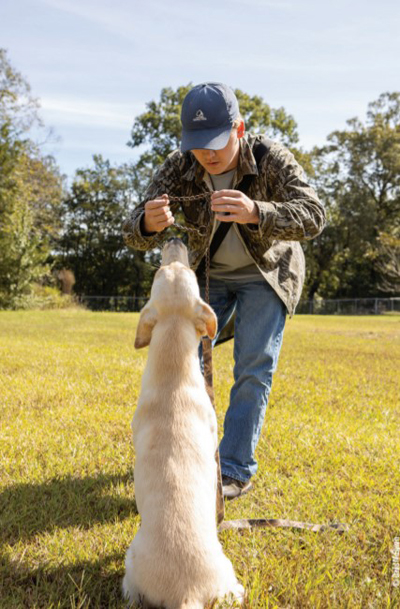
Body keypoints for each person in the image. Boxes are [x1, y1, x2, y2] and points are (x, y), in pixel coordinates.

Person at [123, 82, 326, 500]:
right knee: (184, 365)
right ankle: (189, 457)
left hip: (266, 275)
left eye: (216, 141)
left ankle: (233, 469)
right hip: (208, 276)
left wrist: (259, 213)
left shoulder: (270, 157)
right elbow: (132, 232)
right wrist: (147, 223)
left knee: (254, 367)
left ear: (239, 128)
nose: (207, 154)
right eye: (198, 144)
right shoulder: (179, 166)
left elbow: (315, 215)